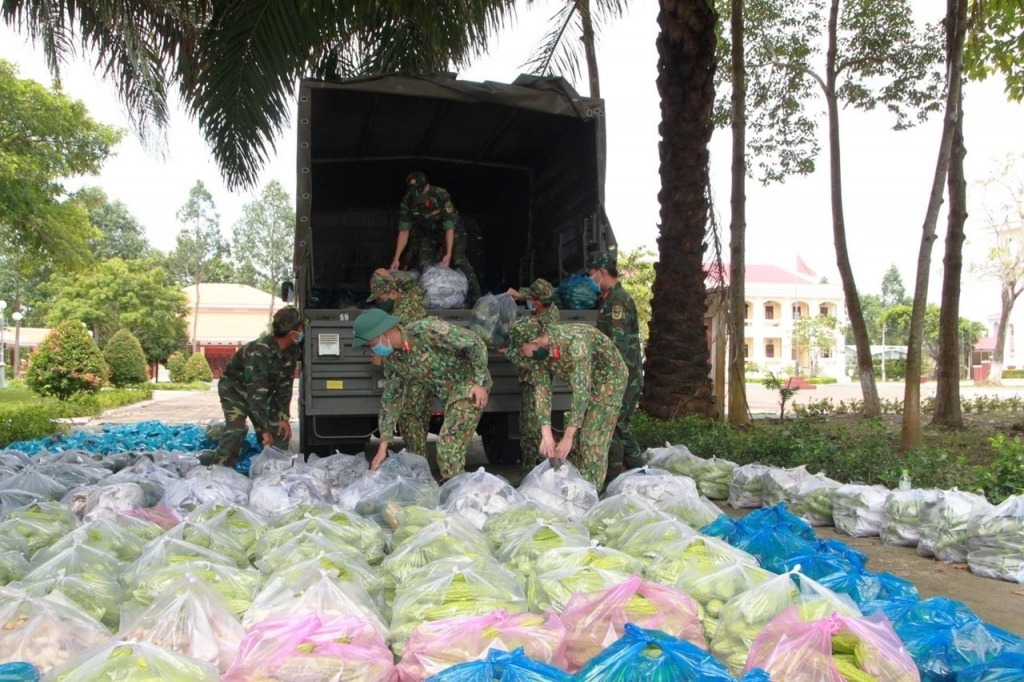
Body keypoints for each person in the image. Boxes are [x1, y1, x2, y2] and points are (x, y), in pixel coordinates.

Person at [353, 308, 491, 481]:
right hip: (449, 395)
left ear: (384, 333)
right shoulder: (394, 361)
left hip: (469, 386)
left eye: (372, 343)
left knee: (449, 445)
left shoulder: (427, 330)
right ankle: (455, 487)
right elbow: (391, 401)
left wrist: (480, 382)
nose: (373, 349)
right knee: (449, 447)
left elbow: (475, 342)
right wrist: (383, 446)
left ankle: (458, 492)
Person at [507, 317, 626, 488]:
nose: (520, 354)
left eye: (520, 349)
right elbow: (542, 391)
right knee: (577, 442)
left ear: (534, 343)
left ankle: (590, 496)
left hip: (609, 381)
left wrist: (567, 436)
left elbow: (581, 391)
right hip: (585, 385)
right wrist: (546, 435)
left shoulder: (575, 343)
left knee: (592, 439)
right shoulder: (541, 352)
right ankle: (575, 486)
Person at [214, 306, 303, 467]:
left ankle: (275, 474)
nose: (303, 330)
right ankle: (219, 470)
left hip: (261, 393)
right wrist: (264, 430)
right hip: (235, 391)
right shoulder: (258, 352)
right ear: (293, 332)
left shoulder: (292, 351)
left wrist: (283, 418)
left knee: (279, 435)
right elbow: (256, 395)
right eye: (301, 327)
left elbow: (285, 386)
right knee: (237, 430)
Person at [588, 250, 644, 476]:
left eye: (592, 275)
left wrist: (608, 378)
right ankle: (627, 474)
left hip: (624, 376)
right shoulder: (611, 298)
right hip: (622, 375)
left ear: (602, 272)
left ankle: (631, 472)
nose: (591, 280)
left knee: (617, 424)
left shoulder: (617, 301)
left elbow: (616, 346)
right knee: (617, 425)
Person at [366, 269, 433, 456]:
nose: (380, 304)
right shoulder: (414, 298)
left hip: (413, 382)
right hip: (423, 380)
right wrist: (388, 276)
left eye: (380, 299)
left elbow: (407, 355)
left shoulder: (402, 316)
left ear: (394, 293)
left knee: (412, 427)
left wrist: (384, 361)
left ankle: (419, 472)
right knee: (418, 428)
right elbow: (412, 282)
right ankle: (419, 465)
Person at [389, 171, 481, 304]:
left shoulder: (440, 195)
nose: (417, 196)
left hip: (451, 230)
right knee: (424, 264)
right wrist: (396, 258)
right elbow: (404, 231)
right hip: (429, 233)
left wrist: (448, 253)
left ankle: (476, 297)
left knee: (458, 259)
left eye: (420, 191)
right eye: (413, 191)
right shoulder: (407, 202)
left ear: (427, 186)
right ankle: (430, 298)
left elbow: (449, 226)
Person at [504, 279, 559, 471]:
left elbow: (533, 358)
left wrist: (509, 352)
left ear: (537, 302)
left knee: (531, 428)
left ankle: (534, 469)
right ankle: (534, 468)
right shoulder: (550, 307)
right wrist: (521, 294)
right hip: (530, 380)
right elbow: (536, 295)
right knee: (529, 425)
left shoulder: (538, 325)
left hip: (536, 380)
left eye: (532, 299)